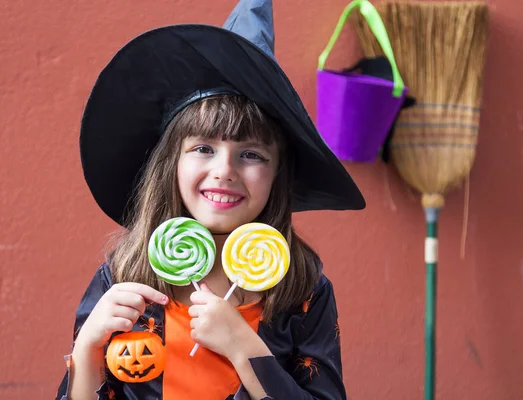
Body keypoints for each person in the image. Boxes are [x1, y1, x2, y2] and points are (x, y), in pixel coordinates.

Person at [56, 0, 365, 399]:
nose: (225, 170)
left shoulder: (303, 290)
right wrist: (89, 349)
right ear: (171, 164)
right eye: (203, 148)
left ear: (277, 176)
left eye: (251, 154)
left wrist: (244, 348)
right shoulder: (123, 277)